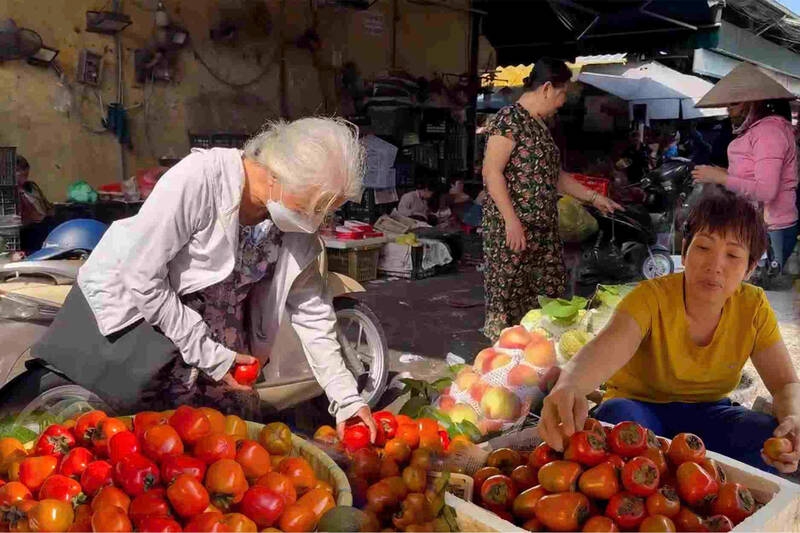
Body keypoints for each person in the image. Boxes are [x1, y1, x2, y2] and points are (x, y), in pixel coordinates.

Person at [31, 117, 377, 440]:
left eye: (327, 211)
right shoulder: (201, 179)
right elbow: (143, 276)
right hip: (154, 334)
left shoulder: (291, 223)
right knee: (147, 446)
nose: (317, 220)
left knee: (218, 455)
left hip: (222, 356)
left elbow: (312, 312)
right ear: (278, 175)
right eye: (315, 207)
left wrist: (346, 396)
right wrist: (208, 353)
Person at [537, 187, 799, 474]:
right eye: (703, 247)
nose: (715, 265)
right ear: (684, 253)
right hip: (640, 410)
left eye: (733, 255)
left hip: (710, 414)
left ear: (749, 269)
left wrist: (792, 419)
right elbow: (604, 348)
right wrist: (569, 386)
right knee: (616, 419)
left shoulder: (754, 307)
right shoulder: (651, 297)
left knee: (767, 436)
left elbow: (785, 384)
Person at [481, 57, 620, 341]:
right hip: (513, 231)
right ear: (546, 88)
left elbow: (555, 175)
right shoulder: (510, 119)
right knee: (508, 299)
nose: (561, 102)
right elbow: (491, 172)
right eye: (561, 94)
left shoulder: (540, 126)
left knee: (547, 300)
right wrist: (512, 222)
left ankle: (537, 358)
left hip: (543, 231)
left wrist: (594, 197)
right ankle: (502, 362)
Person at [692, 63, 798, 270]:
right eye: (729, 105)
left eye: (735, 104)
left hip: (772, 228)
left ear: (755, 104)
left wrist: (721, 178)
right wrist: (725, 173)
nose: (729, 111)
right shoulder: (759, 131)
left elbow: (766, 191)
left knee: (764, 290)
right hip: (758, 223)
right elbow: (753, 177)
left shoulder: (769, 133)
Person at [15, 155, 57, 253]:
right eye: (18, 171)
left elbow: (46, 206)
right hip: (24, 233)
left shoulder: (32, 187)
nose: (22, 173)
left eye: (24, 170)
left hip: (42, 226)